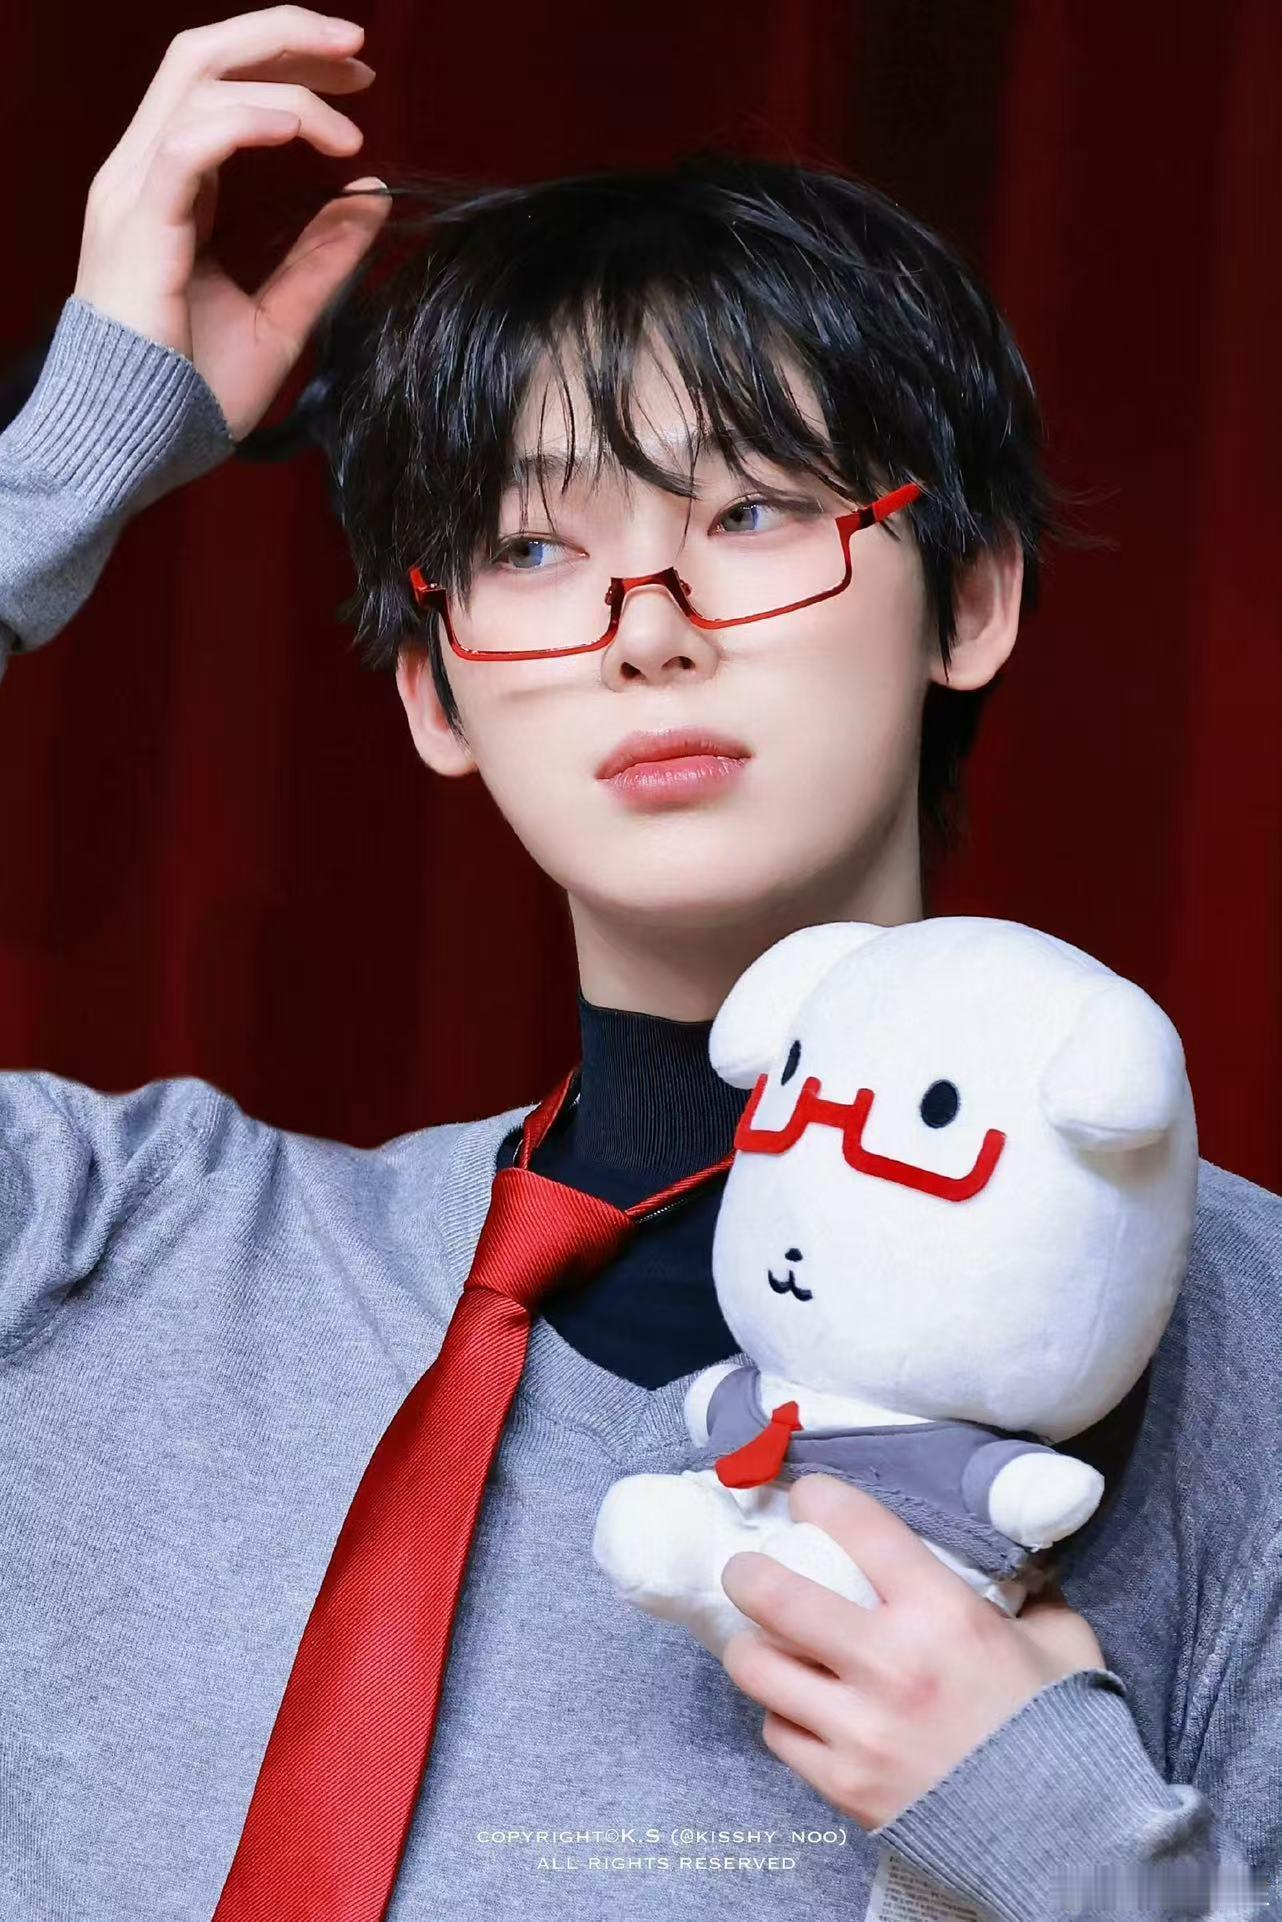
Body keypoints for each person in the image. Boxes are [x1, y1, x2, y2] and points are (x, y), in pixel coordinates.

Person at [1, 8, 1277, 1919]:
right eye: (530, 548)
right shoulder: (110, 1252)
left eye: (750, 512)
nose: (643, 627)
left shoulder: (1228, 1338)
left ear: (971, 595)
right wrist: (71, 453)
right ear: (433, 693)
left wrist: (1056, 1835)